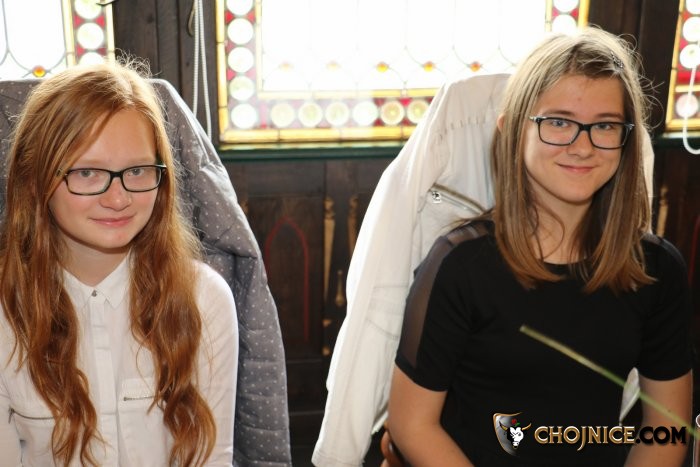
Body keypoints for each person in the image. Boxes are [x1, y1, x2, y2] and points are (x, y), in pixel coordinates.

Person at [388, 27, 693, 466]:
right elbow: (412, 424)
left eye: (605, 125)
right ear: (513, 131)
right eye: (559, 122)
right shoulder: (460, 265)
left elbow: (667, 428)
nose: (583, 146)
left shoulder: (656, 268)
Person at [0, 61, 238, 466]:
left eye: (138, 170)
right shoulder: (7, 313)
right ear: (35, 178)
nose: (117, 198)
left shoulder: (205, 300)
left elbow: (212, 457)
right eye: (87, 172)